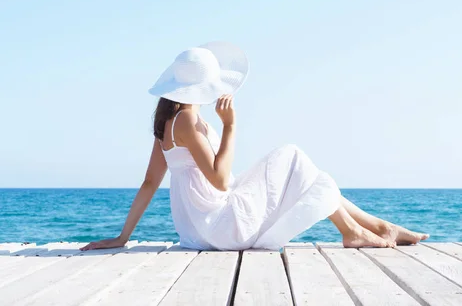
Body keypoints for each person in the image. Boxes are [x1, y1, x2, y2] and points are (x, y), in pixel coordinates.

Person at [81, 42, 429, 251]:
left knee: (307, 173)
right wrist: (230, 127)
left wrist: (122, 237)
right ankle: (354, 231)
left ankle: (377, 227)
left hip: (201, 230)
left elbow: (149, 183)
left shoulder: (167, 122)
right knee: (294, 157)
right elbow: (218, 180)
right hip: (221, 224)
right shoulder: (186, 120)